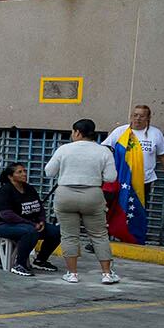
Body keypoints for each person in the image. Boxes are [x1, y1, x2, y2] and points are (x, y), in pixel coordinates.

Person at [45, 119, 119, 285]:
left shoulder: (64, 149)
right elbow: (110, 177)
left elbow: (49, 172)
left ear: (77, 132)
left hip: (65, 194)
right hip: (92, 194)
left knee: (69, 235)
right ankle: (107, 274)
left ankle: (72, 273)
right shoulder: (103, 151)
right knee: (99, 235)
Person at [105, 104, 164, 234]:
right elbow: (106, 149)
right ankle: (104, 239)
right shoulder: (120, 131)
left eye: (141, 116)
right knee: (113, 209)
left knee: (137, 211)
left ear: (148, 118)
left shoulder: (155, 133)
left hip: (143, 181)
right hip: (120, 180)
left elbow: (163, 156)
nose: (137, 118)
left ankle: (133, 238)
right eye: (135, 115)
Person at [0, 162, 61, 277]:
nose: (24, 174)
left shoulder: (29, 189)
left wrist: (41, 220)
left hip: (29, 223)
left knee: (56, 232)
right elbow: (6, 215)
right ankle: (20, 264)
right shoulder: (5, 191)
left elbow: (39, 207)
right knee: (29, 232)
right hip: (2, 225)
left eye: (24, 171)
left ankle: (40, 260)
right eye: (20, 172)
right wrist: (31, 223)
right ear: (10, 176)